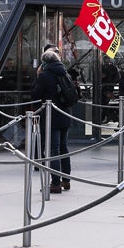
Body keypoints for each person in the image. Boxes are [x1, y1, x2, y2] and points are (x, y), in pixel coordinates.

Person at [31, 48, 76, 193]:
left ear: (44, 62)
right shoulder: (65, 73)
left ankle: (55, 183)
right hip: (66, 114)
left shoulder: (45, 75)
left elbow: (35, 94)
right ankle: (66, 180)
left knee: (53, 149)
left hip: (51, 116)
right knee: (64, 147)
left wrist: (38, 77)